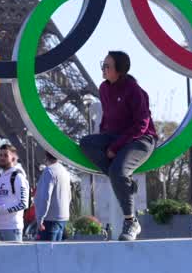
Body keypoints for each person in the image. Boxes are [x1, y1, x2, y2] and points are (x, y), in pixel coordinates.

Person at [77, 51, 157, 241]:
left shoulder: (135, 91)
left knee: (118, 171)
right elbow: (107, 117)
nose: (103, 69)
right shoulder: (104, 88)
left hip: (141, 139)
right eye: (102, 65)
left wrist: (115, 147)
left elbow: (141, 125)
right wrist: (104, 137)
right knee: (86, 143)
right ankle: (123, 181)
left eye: (107, 66)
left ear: (120, 70)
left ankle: (130, 221)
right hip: (115, 136)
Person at [0, 144, 29, 242]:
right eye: (0, 155)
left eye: (5, 155)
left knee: (14, 258)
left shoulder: (18, 177)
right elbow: (0, 199)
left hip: (12, 228)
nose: (2, 158)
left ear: (13, 158)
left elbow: (23, 204)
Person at [34, 152, 71, 241]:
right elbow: (69, 195)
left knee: (46, 253)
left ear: (46, 157)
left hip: (49, 220)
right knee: (57, 253)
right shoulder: (65, 171)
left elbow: (45, 197)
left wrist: (40, 219)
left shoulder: (49, 171)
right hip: (62, 218)